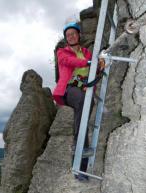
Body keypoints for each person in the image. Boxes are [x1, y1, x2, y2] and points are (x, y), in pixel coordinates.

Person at [53, 22, 104, 181]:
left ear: (78, 35)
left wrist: (99, 64)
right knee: (82, 101)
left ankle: (81, 169)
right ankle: (77, 142)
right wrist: (89, 63)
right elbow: (70, 62)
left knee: (83, 120)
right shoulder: (62, 52)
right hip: (69, 89)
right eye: (68, 35)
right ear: (66, 39)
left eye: (73, 33)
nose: (71, 36)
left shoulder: (87, 53)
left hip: (84, 89)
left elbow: (94, 69)